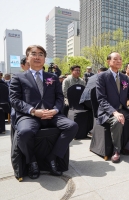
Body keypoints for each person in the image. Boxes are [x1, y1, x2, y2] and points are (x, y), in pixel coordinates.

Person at [9, 45, 78, 179]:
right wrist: (33, 111)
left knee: (72, 126)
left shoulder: (52, 76)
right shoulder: (18, 77)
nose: (37, 57)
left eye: (41, 54)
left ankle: (52, 157)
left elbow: (59, 96)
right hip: (29, 115)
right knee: (24, 133)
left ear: (44, 59)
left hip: (52, 113)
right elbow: (14, 99)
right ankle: (32, 161)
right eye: (33, 54)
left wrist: (55, 110)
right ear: (28, 58)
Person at [96, 52, 129, 163]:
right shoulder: (102, 76)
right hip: (108, 112)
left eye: (120, 59)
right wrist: (114, 112)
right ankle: (117, 150)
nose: (119, 61)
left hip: (123, 109)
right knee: (118, 121)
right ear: (108, 61)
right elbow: (101, 99)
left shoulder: (124, 77)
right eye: (115, 59)